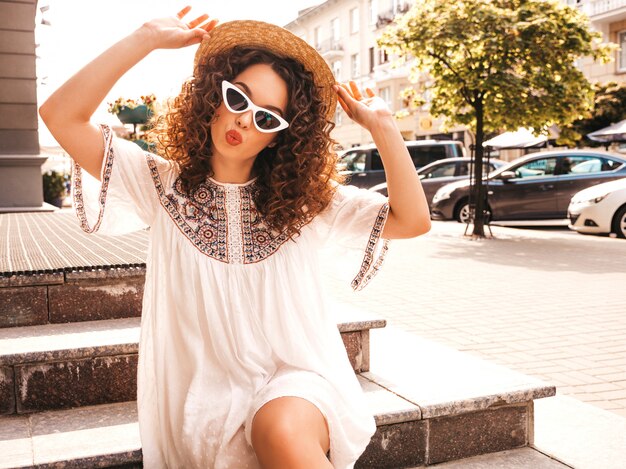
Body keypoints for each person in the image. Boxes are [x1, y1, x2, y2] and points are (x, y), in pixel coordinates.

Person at [39, 6, 431, 469]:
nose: (246, 121)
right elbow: (61, 115)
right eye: (239, 98)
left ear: (280, 138)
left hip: (296, 385)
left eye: (268, 119)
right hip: (203, 405)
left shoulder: (305, 204)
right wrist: (145, 37)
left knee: (279, 429)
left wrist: (384, 127)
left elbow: (412, 220)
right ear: (213, 95)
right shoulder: (159, 184)